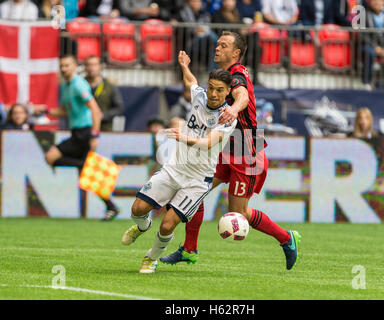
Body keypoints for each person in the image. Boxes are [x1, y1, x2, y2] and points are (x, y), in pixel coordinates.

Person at [160, 31, 301, 271]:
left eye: (223, 46)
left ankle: (286, 239)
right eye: (217, 44)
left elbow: (242, 96)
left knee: (240, 213)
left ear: (235, 53)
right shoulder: (223, 76)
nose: (217, 48)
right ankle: (190, 250)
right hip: (224, 148)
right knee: (196, 190)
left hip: (246, 150)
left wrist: (235, 109)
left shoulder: (238, 75)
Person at [120, 51, 238, 274]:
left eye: (219, 90)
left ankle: (151, 258)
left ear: (228, 91)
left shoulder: (227, 117)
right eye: (211, 87)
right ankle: (142, 226)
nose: (213, 93)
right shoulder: (200, 96)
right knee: (137, 209)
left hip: (198, 180)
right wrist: (184, 66)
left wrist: (184, 136)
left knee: (168, 223)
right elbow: (191, 81)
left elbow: (208, 142)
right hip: (175, 168)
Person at [34, 55, 120, 221]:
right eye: (61, 65)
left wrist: (94, 135)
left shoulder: (78, 84)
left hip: (84, 133)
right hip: (77, 132)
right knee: (85, 174)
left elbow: (96, 111)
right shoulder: (66, 86)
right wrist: (46, 111)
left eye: (67, 65)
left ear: (74, 66)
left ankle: (86, 167)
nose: (63, 68)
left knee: (50, 157)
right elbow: (66, 111)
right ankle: (111, 206)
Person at [84, 56, 124, 132]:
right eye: (89, 65)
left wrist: (103, 115)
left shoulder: (109, 85)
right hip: (84, 129)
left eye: (94, 65)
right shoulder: (80, 85)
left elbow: (119, 108)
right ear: (85, 67)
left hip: (104, 129)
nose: (91, 68)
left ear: (100, 67)